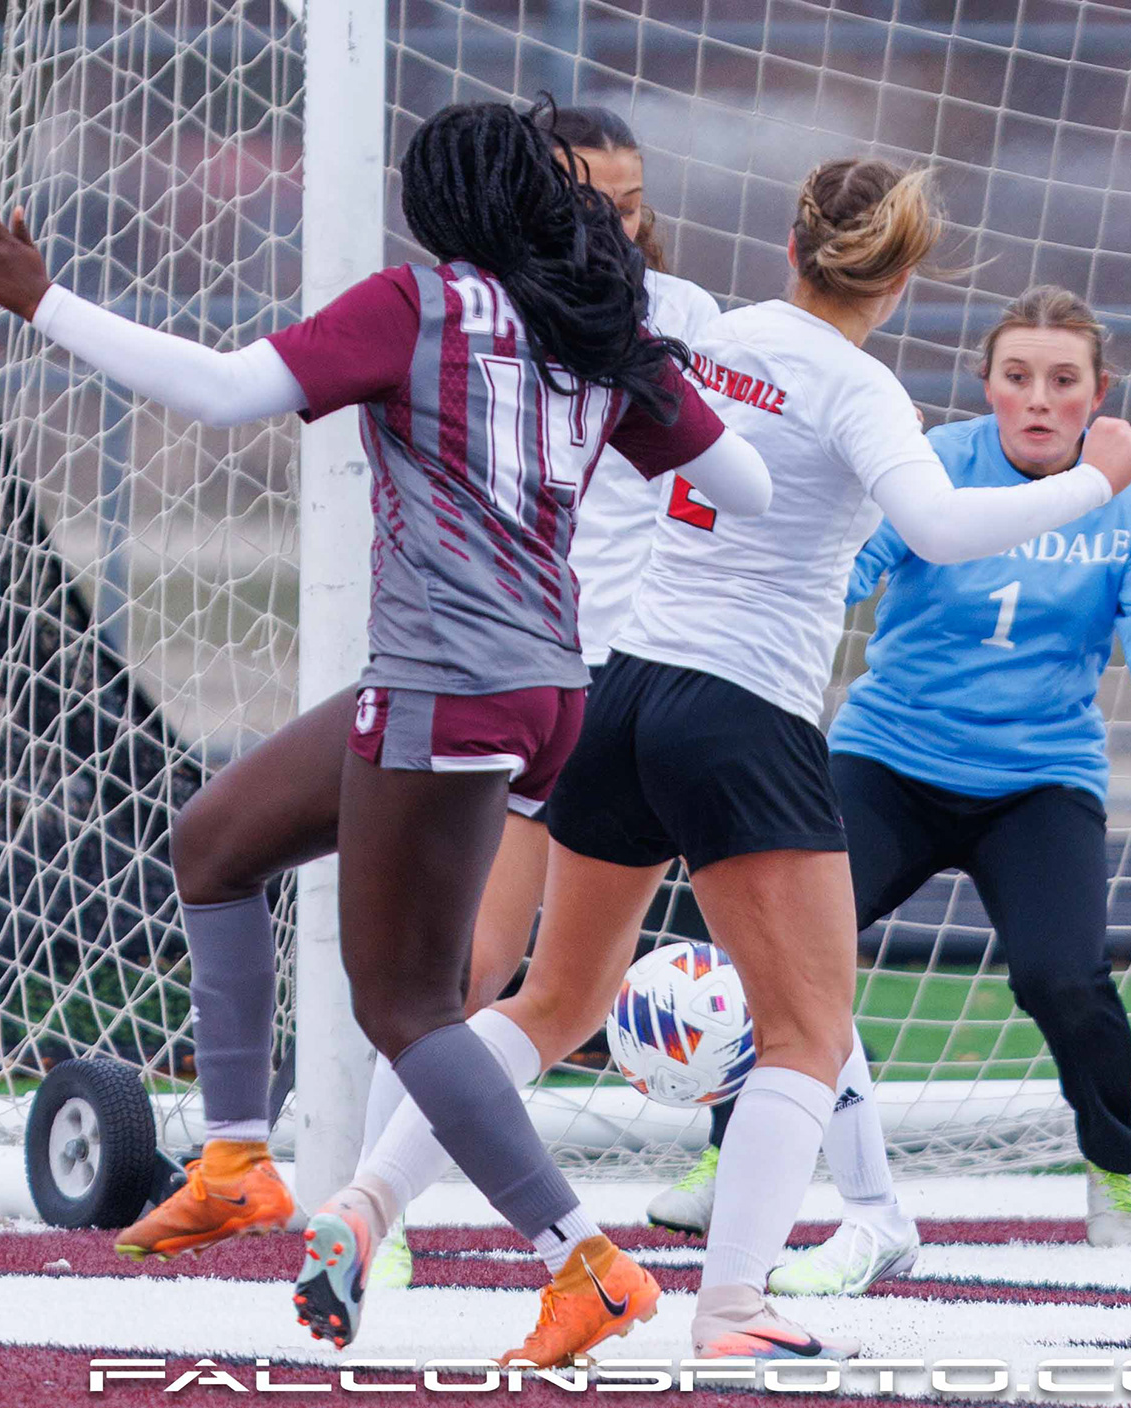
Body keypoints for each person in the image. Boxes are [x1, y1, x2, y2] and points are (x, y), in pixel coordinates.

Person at [0, 99, 771, 1362]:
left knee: (407, 1008)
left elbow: (224, 390)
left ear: (443, 208)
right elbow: (744, 485)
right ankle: (236, 1160)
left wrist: (43, 300)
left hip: (448, 685)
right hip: (544, 686)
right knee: (216, 840)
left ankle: (585, 1267)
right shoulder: (602, 330)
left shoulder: (418, 304)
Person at [306, 157, 1131, 1363]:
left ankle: (366, 1199)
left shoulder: (710, 337)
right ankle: (733, 1306)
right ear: (902, 277)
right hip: (741, 715)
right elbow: (941, 527)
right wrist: (1095, 479)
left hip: (624, 688)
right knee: (809, 1032)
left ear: (793, 247)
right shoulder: (859, 387)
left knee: (551, 1002)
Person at [740, 284, 1131, 1296]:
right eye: (1018, 376)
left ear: (1099, 395)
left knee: (1063, 978)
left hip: (1039, 780)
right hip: (888, 759)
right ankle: (732, 1152)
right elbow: (850, 568)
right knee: (785, 949)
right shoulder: (934, 463)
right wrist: (782, 565)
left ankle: (1114, 1161)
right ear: (987, 385)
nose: (1039, 398)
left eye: (1063, 380)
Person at [344, 104, 722, 1292]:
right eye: (590, 198)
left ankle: (814, 1189)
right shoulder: (482, 313)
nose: (618, 222)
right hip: (535, 670)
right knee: (468, 969)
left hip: (660, 678)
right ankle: (372, 1212)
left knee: (768, 944)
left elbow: (745, 468)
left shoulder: (687, 320)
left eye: (633, 201)